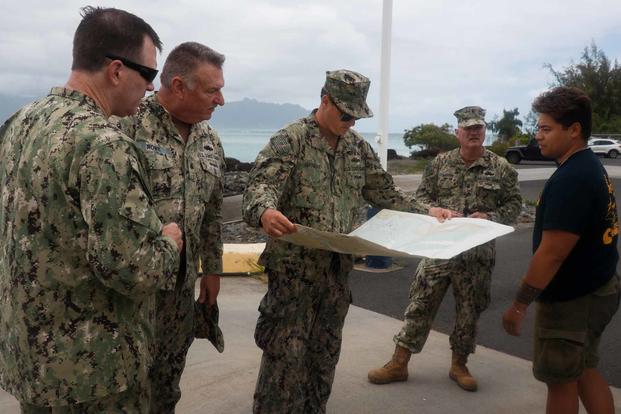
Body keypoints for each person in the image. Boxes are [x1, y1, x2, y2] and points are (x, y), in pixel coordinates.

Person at [0, 7, 183, 413]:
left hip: (30, 360)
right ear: (116, 70)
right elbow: (132, 269)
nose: (153, 89)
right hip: (94, 372)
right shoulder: (104, 144)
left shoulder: (20, 123)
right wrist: (170, 242)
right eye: (149, 75)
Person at [242, 69, 452, 413]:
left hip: (336, 275)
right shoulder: (290, 139)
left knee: (324, 357)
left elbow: (384, 192)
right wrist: (264, 210)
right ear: (325, 100)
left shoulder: (356, 147)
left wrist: (428, 211)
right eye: (345, 114)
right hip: (294, 275)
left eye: (356, 116)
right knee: (285, 359)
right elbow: (260, 185)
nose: (351, 122)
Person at [368, 106, 522, 391]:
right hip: (439, 250)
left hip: (476, 255)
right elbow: (424, 194)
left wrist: (490, 217)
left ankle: (459, 365)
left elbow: (514, 204)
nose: (474, 133)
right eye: (469, 129)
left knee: (468, 312)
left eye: (479, 128)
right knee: (420, 304)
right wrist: (434, 209)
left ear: (484, 131)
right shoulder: (440, 164)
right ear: (458, 133)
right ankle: (399, 362)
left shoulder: (501, 167)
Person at [117, 41, 226, 413]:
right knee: (128, 389)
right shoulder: (127, 125)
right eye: (213, 90)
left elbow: (212, 213)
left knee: (168, 384)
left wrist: (212, 268)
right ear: (179, 86)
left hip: (181, 293)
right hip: (135, 296)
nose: (221, 100)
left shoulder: (209, 139)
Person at [502, 87, 619, 414]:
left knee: (562, 381)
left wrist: (519, 305)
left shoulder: (572, 180)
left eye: (546, 128)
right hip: (599, 287)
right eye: (537, 127)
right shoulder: (588, 165)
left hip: (573, 302)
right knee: (583, 370)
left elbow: (552, 254)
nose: (537, 136)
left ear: (574, 130)